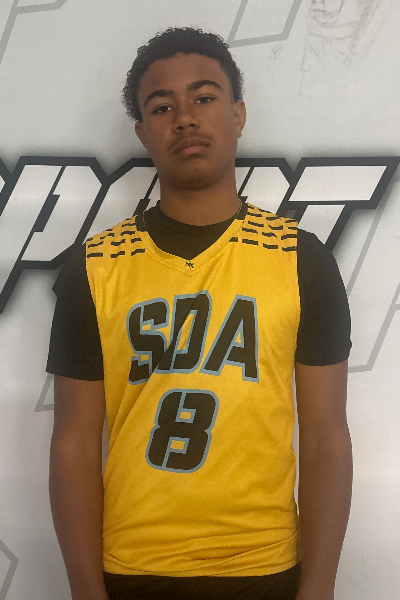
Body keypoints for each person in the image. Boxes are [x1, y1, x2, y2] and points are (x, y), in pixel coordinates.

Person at [47, 27, 353, 600]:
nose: (185, 118)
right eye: (162, 107)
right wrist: (86, 591)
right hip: (133, 569)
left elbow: (325, 437)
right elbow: (74, 443)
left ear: (238, 114)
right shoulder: (94, 267)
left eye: (204, 97)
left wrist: (319, 588)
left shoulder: (300, 259)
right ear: (143, 133)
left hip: (265, 567)